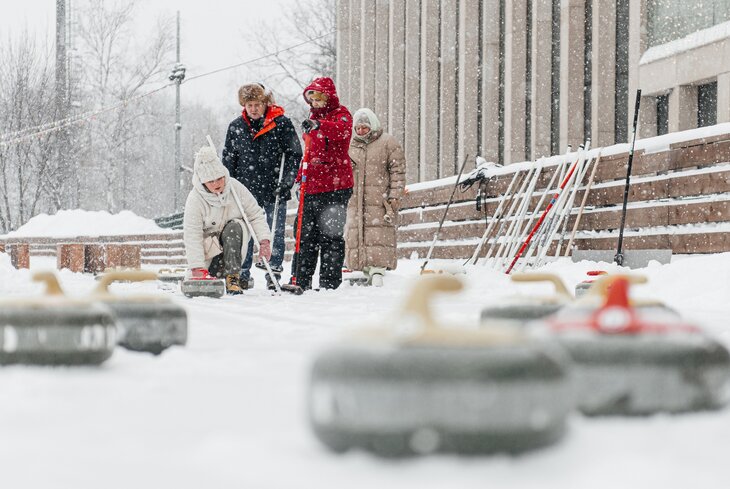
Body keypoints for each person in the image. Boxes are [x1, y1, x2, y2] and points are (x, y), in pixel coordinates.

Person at [222, 83, 302, 289]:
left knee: (274, 230)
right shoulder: (236, 127)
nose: (254, 109)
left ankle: (273, 269)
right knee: (246, 231)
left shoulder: (281, 124)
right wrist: (229, 185)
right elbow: (229, 160)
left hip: (275, 188)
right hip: (246, 189)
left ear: (265, 103)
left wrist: (286, 183)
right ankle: (243, 272)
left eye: (257, 104)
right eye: (249, 105)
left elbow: (294, 154)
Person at [183, 145, 272, 295]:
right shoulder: (195, 199)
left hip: (234, 249)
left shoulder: (235, 188)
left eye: (219, 179)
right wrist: (198, 267)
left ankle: (233, 277)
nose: (217, 184)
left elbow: (255, 214)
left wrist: (264, 241)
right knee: (202, 270)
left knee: (235, 227)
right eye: (211, 181)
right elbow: (192, 234)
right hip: (210, 252)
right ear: (203, 182)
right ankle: (207, 273)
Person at [293, 77, 354, 290]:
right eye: (312, 99)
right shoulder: (311, 120)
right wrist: (300, 178)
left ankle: (330, 283)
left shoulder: (342, 115)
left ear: (328, 97)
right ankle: (301, 280)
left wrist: (320, 125)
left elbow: (342, 131)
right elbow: (308, 154)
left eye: (319, 98)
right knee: (306, 235)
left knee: (330, 235)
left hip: (335, 186)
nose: (315, 103)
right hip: (312, 186)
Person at [345, 108, 406, 277]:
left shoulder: (388, 143)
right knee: (356, 230)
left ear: (373, 126)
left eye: (365, 127)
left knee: (378, 232)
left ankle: (378, 267)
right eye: (357, 128)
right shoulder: (350, 145)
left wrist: (395, 196)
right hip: (355, 200)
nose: (361, 131)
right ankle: (358, 266)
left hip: (380, 199)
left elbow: (398, 172)